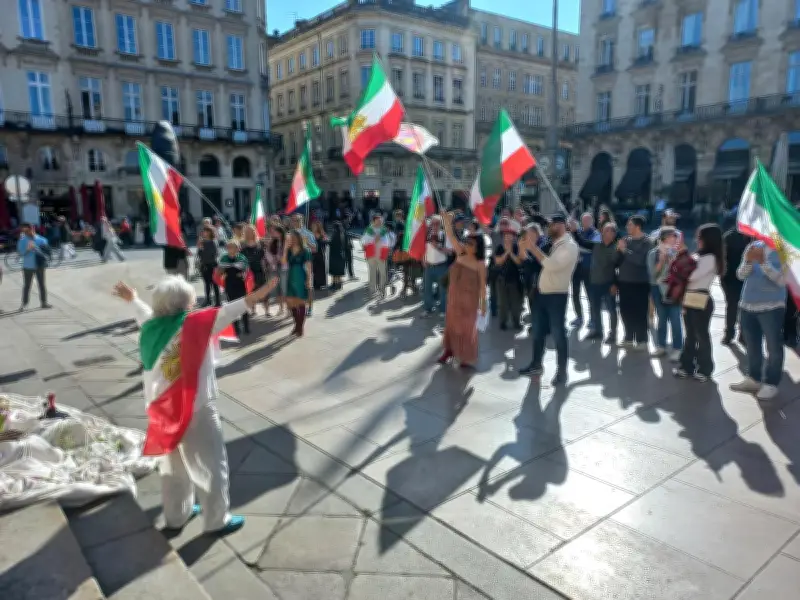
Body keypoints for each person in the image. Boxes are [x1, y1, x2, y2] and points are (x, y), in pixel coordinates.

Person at [111, 275, 278, 535]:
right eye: (191, 298)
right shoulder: (196, 324)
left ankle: (176, 515)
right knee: (211, 464)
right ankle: (216, 520)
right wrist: (255, 296)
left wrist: (133, 300)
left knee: (173, 466)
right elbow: (228, 311)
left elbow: (144, 315)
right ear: (183, 304)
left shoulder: (152, 327)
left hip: (162, 409)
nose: (195, 302)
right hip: (196, 406)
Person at [520, 214, 579, 385]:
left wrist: (532, 247)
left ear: (560, 226)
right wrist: (526, 249)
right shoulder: (553, 244)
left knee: (558, 334)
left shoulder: (569, 246)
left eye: (551, 225)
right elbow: (534, 264)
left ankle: (562, 371)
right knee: (538, 332)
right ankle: (536, 364)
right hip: (541, 294)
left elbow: (551, 265)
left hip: (556, 296)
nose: (548, 228)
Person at [729, 240, 787, 400]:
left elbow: (782, 280)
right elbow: (740, 274)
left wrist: (763, 262)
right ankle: (754, 378)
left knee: (773, 347)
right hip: (748, 304)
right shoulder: (754, 246)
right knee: (752, 345)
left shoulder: (783, 248)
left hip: (772, 306)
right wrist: (748, 260)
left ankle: (771, 383)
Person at [673, 224, 724, 382]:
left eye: (700, 237)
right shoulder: (697, 255)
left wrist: (683, 256)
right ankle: (686, 365)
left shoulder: (711, 258)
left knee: (701, 335)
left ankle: (705, 368)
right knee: (689, 335)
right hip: (689, 298)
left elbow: (691, 275)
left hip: (701, 298)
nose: (697, 240)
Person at [437, 210, 487, 369]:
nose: (467, 244)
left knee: (466, 328)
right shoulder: (460, 253)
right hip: (454, 296)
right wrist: (446, 220)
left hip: (470, 301)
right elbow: (450, 235)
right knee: (451, 324)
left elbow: (483, 285)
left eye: (471, 243)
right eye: (467, 242)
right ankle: (449, 350)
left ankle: (465, 357)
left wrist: (483, 304)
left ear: (478, 247)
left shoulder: (480, 264)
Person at [572, 221, 619, 343]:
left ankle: (613, 334)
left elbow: (617, 267)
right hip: (594, 283)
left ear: (614, 234)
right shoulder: (596, 245)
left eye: (609, 230)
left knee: (611, 310)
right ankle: (598, 331)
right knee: (595, 308)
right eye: (604, 230)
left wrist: (615, 284)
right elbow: (581, 242)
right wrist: (574, 231)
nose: (606, 233)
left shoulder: (616, 248)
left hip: (609, 283)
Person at [615, 215, 654, 350]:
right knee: (625, 310)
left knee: (640, 312)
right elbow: (618, 260)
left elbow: (641, 261)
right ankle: (628, 337)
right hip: (624, 281)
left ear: (638, 226)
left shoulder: (647, 242)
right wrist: (619, 251)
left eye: (630, 225)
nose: (627, 227)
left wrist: (625, 251)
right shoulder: (626, 240)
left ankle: (642, 339)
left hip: (640, 282)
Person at [647, 227, 683, 360]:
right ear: (663, 238)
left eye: (675, 236)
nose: (674, 239)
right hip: (657, 289)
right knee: (661, 318)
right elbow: (652, 274)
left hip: (673, 289)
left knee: (675, 319)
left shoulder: (678, 253)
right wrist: (662, 261)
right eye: (672, 236)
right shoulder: (653, 253)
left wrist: (673, 260)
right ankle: (661, 346)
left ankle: (678, 348)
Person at [721, 222, 751, 345]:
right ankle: (732, 334)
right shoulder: (731, 236)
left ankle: (739, 334)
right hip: (733, 277)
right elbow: (723, 256)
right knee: (735, 307)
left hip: (745, 277)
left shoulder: (753, 237)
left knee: (740, 307)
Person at [571, 213, 600, 330]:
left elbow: (589, 246)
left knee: (590, 295)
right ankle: (579, 317)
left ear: (592, 221)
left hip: (589, 268)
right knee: (575, 294)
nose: (585, 223)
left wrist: (575, 234)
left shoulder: (596, 234)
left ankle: (593, 319)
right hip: (576, 268)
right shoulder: (579, 232)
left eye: (587, 221)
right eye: (583, 221)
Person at [493, 223, 524, 331]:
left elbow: (519, 262)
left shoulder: (517, 247)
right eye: (505, 235)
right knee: (502, 304)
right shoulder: (499, 248)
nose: (507, 237)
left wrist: (511, 253)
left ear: (514, 237)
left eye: (510, 235)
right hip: (502, 279)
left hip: (515, 280)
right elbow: (498, 262)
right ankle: (503, 322)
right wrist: (506, 252)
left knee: (516, 303)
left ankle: (516, 322)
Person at [283, 230, 312, 336]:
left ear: (298, 238)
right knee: (291, 302)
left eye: (294, 238)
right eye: (291, 238)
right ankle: (297, 325)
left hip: (301, 276)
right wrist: (285, 248)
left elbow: (309, 266)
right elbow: (284, 262)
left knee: (300, 302)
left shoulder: (305, 250)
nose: (293, 240)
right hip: (291, 276)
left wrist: (308, 280)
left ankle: (299, 327)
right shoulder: (289, 250)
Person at [217, 241, 250, 336]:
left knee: (243, 306)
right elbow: (219, 272)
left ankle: (246, 327)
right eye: (229, 247)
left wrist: (243, 274)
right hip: (229, 284)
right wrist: (222, 272)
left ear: (237, 248)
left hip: (240, 284)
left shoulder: (242, 258)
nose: (230, 249)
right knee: (232, 307)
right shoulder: (224, 258)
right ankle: (236, 328)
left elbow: (247, 270)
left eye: (233, 247)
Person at [17, 223, 51, 311]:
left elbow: (46, 252)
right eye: (24, 231)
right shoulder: (22, 240)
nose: (27, 232)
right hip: (28, 266)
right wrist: (28, 249)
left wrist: (39, 248)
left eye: (28, 230)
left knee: (42, 285)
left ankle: (44, 302)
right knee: (27, 285)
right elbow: (21, 253)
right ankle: (24, 304)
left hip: (39, 265)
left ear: (32, 229)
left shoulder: (41, 239)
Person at [422, 215, 449, 317]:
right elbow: (425, 248)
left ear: (441, 224)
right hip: (429, 266)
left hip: (441, 266)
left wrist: (438, 246)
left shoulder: (445, 235)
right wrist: (423, 259)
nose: (434, 225)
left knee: (443, 290)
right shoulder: (428, 234)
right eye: (432, 223)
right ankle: (428, 309)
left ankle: (443, 311)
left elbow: (450, 251)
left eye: (437, 223)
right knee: (427, 289)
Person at [362, 213, 391, 299]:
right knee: (372, 272)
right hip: (371, 255)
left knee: (382, 273)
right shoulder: (369, 230)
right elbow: (363, 241)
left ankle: (382, 291)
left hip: (381, 255)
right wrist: (373, 239)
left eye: (381, 220)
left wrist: (380, 239)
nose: (380, 222)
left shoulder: (384, 230)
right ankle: (372, 290)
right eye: (378, 220)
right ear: (373, 221)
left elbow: (388, 243)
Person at [241, 225, 267, 317]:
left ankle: (267, 311)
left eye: (251, 231)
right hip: (249, 271)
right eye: (247, 231)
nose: (249, 233)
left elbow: (265, 255)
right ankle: (253, 310)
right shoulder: (242, 244)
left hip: (260, 269)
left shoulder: (260, 242)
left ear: (254, 232)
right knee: (251, 291)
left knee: (263, 291)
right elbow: (241, 258)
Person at [198, 226, 221, 307]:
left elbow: (212, 255)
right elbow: (200, 255)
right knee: (207, 284)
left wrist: (203, 250)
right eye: (204, 231)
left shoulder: (213, 242)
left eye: (206, 231)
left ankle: (218, 301)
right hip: (205, 265)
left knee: (215, 284)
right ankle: (208, 300)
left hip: (212, 265)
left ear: (211, 232)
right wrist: (200, 247)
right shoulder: (202, 242)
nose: (204, 233)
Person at [328, 221, 347, 291]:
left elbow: (331, 243)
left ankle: (335, 284)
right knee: (339, 271)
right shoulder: (342, 234)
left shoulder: (335, 235)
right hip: (341, 255)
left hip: (335, 255)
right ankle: (339, 284)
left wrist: (326, 241)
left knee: (334, 271)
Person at [311, 221, 328, 290]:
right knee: (314, 270)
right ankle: (315, 284)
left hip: (320, 254)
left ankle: (320, 284)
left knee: (320, 270)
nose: (313, 227)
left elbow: (326, 242)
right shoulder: (311, 234)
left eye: (314, 226)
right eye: (312, 226)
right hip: (313, 254)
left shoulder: (322, 234)